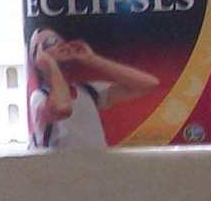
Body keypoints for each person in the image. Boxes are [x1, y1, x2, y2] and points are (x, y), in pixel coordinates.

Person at [27, 28, 160, 150]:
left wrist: (92, 59)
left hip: (99, 166)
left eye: (60, 40)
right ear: (38, 57)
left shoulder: (88, 90)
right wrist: (50, 65)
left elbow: (149, 84)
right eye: (51, 42)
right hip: (64, 168)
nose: (61, 44)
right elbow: (62, 108)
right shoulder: (40, 97)